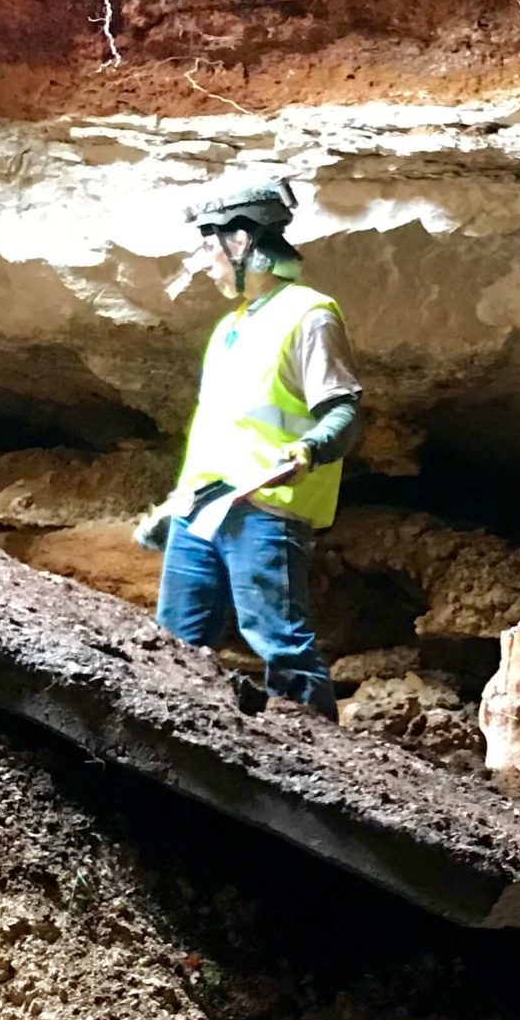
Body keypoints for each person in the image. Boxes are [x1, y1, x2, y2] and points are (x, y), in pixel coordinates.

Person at [134, 176, 364, 717]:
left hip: (265, 509)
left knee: (281, 644)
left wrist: (307, 452)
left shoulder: (310, 314)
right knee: (174, 644)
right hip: (202, 509)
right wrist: (175, 503)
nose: (204, 260)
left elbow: (344, 410)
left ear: (242, 244)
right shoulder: (229, 328)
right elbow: (221, 427)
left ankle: (320, 768)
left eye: (209, 244)